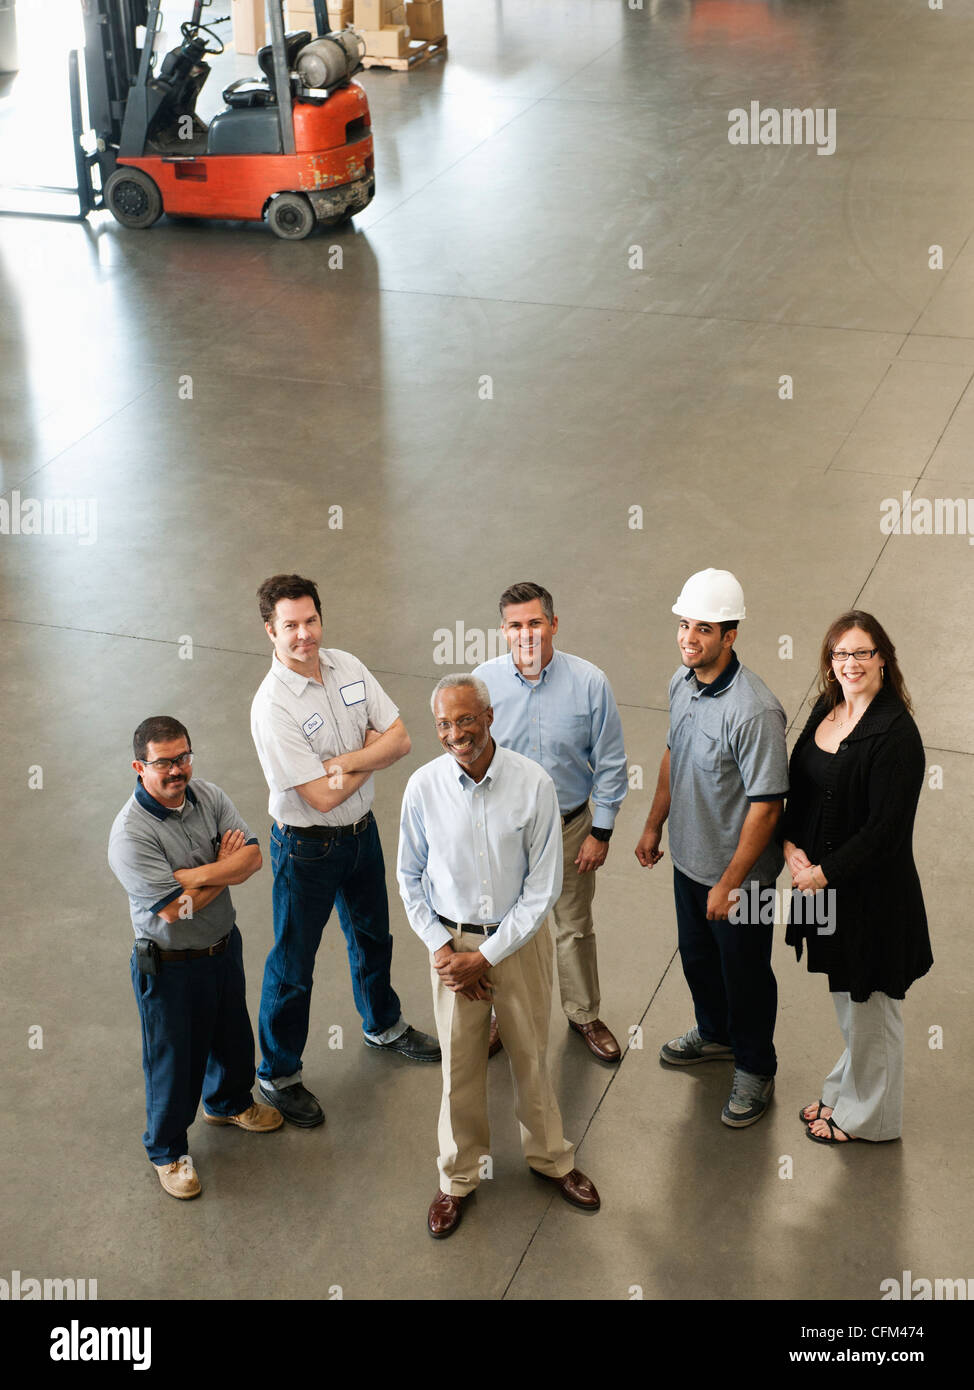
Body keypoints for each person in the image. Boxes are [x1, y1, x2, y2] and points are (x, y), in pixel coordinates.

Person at [397, 674, 601, 1239]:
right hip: (450, 948)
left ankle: (551, 1159)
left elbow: (543, 888)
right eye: (443, 724)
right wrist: (443, 948)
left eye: (465, 720)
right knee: (459, 1066)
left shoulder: (533, 784)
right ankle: (457, 1178)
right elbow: (409, 877)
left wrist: (483, 957)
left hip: (515, 943)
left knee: (532, 1055)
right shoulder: (422, 788)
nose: (455, 733)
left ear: (489, 718)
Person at [250, 573, 439, 1130]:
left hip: (361, 834)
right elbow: (315, 794)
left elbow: (402, 738)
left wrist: (347, 761)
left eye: (310, 620)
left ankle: (383, 1024)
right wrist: (369, 753)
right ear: (271, 632)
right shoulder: (272, 707)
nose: (304, 634)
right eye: (291, 626)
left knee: (373, 935)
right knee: (293, 964)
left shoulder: (348, 666)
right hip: (305, 849)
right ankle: (277, 1073)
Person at [635, 569, 789, 1127]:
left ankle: (755, 1067)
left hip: (741, 881)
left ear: (731, 635)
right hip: (689, 859)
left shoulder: (755, 712)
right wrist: (655, 824)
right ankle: (717, 1034)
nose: (689, 638)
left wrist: (729, 884)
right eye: (683, 625)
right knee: (699, 960)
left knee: (746, 973)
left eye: (704, 628)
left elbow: (767, 807)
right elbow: (674, 755)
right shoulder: (683, 682)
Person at [108, 716, 281, 1200]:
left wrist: (194, 876)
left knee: (231, 1034)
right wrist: (224, 871)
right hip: (169, 964)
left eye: (184, 757)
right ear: (139, 766)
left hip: (223, 945)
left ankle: (227, 1102)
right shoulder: (131, 835)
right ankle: (166, 1150)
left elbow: (253, 857)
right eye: (164, 762)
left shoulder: (209, 796)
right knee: (174, 1061)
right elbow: (173, 909)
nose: (178, 769)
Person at [780, 611, 933, 1144]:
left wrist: (823, 873)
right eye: (840, 654)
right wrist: (791, 845)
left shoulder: (895, 735)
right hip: (825, 890)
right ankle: (847, 1088)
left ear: (883, 660)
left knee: (873, 1008)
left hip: (873, 901)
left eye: (861, 653)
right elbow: (800, 784)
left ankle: (872, 1118)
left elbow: (884, 833)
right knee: (850, 1002)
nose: (850, 664)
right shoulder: (830, 708)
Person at [473, 582, 628, 1063]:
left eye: (535, 623)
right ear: (503, 631)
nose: (527, 634)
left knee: (574, 926)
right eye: (516, 625)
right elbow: (468, 757)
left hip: (571, 829)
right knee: (501, 925)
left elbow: (611, 763)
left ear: (554, 624)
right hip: (505, 832)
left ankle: (583, 1013)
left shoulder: (589, 683)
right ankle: (502, 1014)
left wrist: (600, 832)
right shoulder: (482, 685)